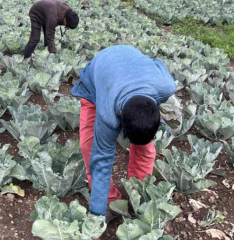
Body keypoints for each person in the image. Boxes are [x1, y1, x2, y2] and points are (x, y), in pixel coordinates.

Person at [70, 45, 176, 217]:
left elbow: (157, 63)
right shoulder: (107, 115)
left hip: (131, 60)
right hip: (99, 74)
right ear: (120, 115)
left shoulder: (166, 86)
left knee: (145, 148)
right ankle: (109, 201)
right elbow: (102, 160)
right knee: (90, 146)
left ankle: (138, 193)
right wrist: (96, 214)